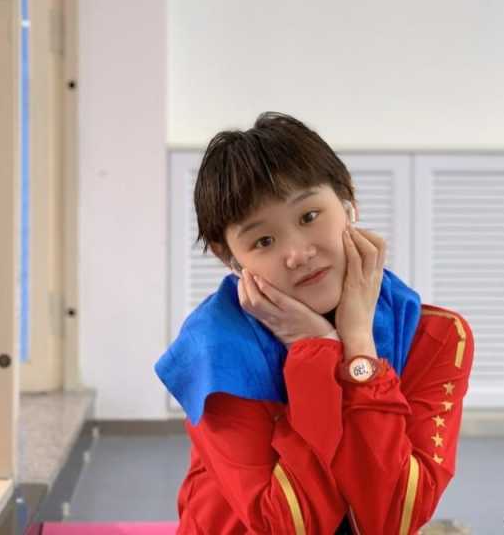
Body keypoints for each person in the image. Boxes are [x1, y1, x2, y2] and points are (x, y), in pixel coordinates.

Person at [155, 112, 475, 534]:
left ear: (348, 200)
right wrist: (315, 351)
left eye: (309, 216)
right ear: (228, 256)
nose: (298, 254)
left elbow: (393, 518)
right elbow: (286, 527)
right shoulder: (215, 351)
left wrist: (357, 345)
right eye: (263, 241)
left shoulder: (434, 336)